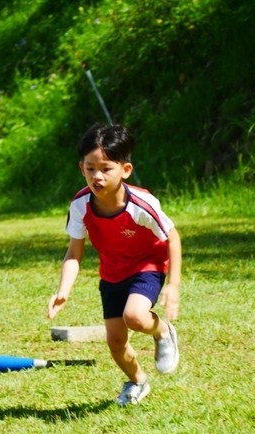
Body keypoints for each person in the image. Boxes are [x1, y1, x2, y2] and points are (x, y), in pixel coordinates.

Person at [47, 123, 181, 405]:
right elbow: (74, 253)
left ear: (125, 170)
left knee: (134, 316)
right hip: (112, 273)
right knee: (116, 343)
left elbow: (172, 236)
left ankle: (163, 330)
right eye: (90, 168)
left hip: (148, 265)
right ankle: (137, 382)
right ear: (81, 167)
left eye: (106, 169)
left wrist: (173, 285)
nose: (97, 176)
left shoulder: (141, 204)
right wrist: (63, 290)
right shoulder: (80, 205)